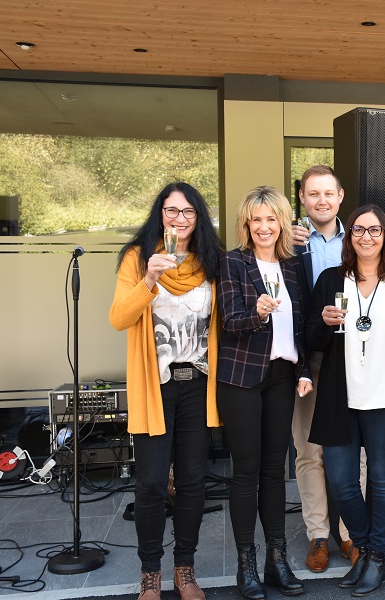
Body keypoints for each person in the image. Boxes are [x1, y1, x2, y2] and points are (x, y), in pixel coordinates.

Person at [109, 182, 223, 600]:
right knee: (152, 484)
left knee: (193, 482)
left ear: (199, 218)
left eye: (189, 212)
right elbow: (119, 318)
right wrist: (151, 278)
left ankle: (185, 570)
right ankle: (150, 574)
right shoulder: (138, 258)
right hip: (155, 386)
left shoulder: (211, 260)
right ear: (160, 214)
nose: (180, 219)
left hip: (198, 385)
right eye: (172, 211)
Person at [307, 204, 385, 596]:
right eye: (358, 230)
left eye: (374, 231)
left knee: (383, 480)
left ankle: (376, 558)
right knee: (341, 483)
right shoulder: (330, 280)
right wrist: (323, 324)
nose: (366, 237)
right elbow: (311, 338)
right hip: (340, 398)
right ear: (350, 236)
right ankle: (368, 546)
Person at [216, 186, 312, 599]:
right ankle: (246, 565)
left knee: (276, 471)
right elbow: (229, 322)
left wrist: (305, 369)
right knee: (246, 471)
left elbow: (302, 324)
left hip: (281, 376)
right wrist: (255, 315)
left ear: (282, 223)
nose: (264, 227)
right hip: (240, 378)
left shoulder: (294, 266)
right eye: (256, 220)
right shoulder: (233, 263)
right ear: (247, 224)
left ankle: (277, 559)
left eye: (271, 218)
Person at [289, 165, 359, 572]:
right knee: (308, 450)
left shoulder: (361, 237)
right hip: (310, 355)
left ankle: (351, 533)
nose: (321, 200)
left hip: (355, 354)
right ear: (302, 197)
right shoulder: (290, 241)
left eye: (328, 193)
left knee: (356, 450)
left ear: (340, 196)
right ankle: (318, 535)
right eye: (313, 194)